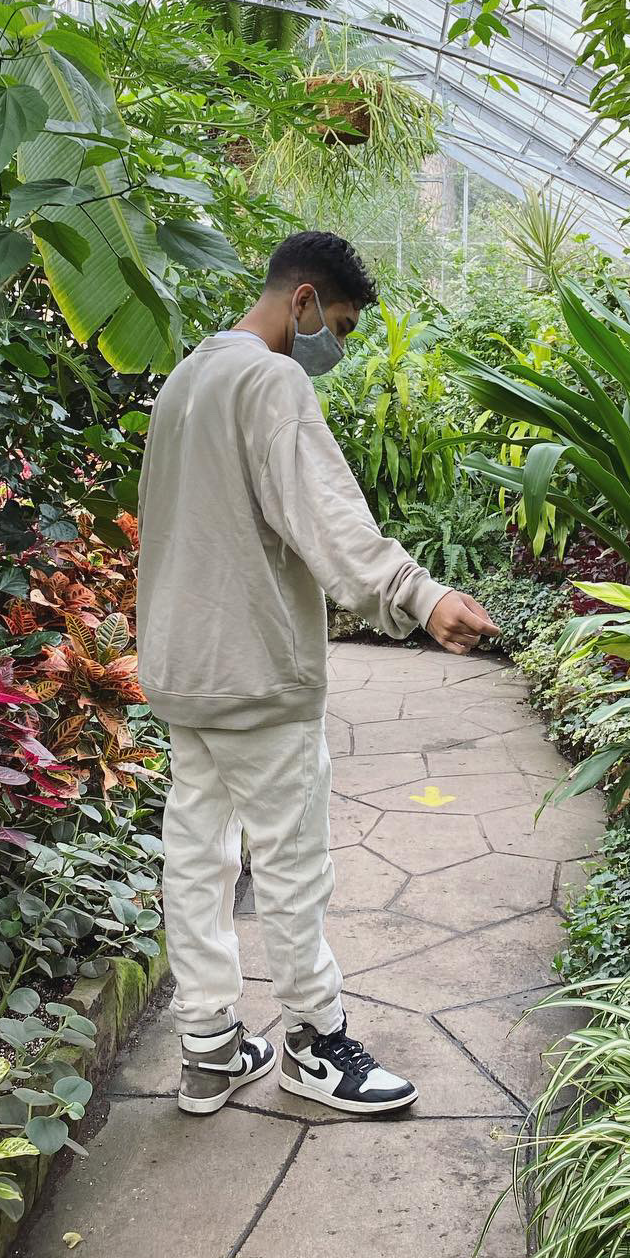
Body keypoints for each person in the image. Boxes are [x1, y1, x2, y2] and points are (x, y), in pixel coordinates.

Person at [135, 230, 498, 1117]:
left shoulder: (186, 378)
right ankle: (313, 1040)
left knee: (198, 856)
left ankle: (211, 1044)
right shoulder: (270, 379)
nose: (331, 342)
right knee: (293, 861)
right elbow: (326, 513)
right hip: (255, 670)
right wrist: (417, 593)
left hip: (183, 668)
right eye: (335, 322)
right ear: (300, 301)